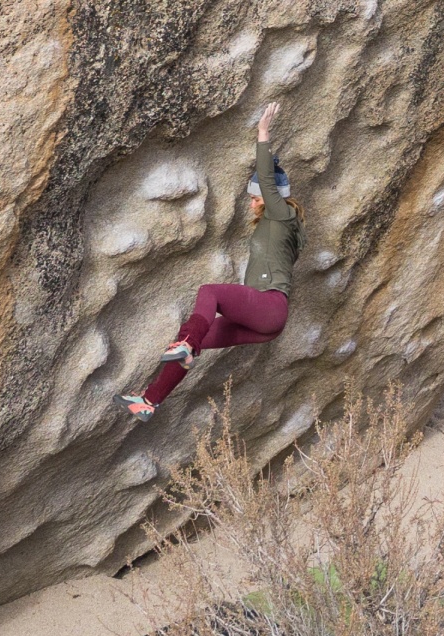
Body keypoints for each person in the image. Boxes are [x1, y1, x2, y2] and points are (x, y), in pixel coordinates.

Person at [113, 102, 306, 421]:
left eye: (256, 198)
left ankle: (187, 342)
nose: (253, 204)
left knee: (209, 294)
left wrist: (263, 133)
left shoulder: (282, 215)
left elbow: (270, 187)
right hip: (266, 321)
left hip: (269, 306)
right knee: (194, 340)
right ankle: (150, 400)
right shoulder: (279, 226)